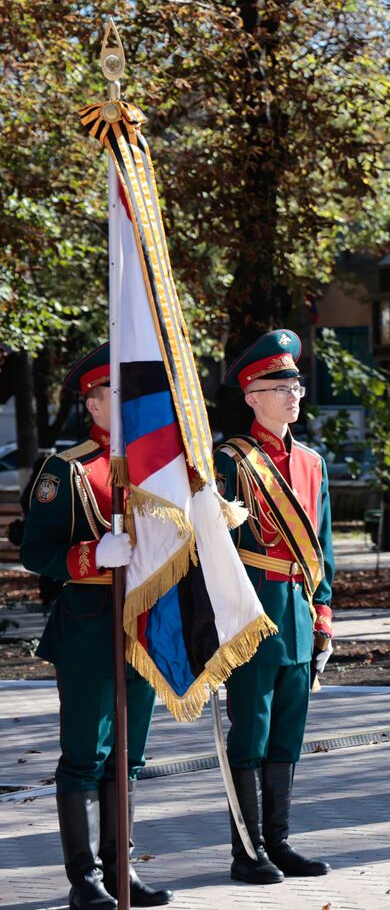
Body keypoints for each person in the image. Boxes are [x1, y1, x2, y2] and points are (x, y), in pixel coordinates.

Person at [20, 343, 174, 908]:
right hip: (88, 629)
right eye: (117, 394)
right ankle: (83, 878)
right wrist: (90, 557)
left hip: (145, 627)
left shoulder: (156, 466)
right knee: (85, 753)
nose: (129, 403)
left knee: (128, 756)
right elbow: (35, 551)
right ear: (94, 403)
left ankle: (120, 871)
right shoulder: (67, 469)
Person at [215, 329, 334, 884]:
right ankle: (246, 850)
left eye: (296, 385)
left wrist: (325, 614)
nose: (292, 395)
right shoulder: (231, 461)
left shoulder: (312, 463)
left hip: (299, 611)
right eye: (277, 385)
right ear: (251, 396)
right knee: (252, 732)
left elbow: (323, 549)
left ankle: (278, 842)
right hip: (251, 612)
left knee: (288, 731)